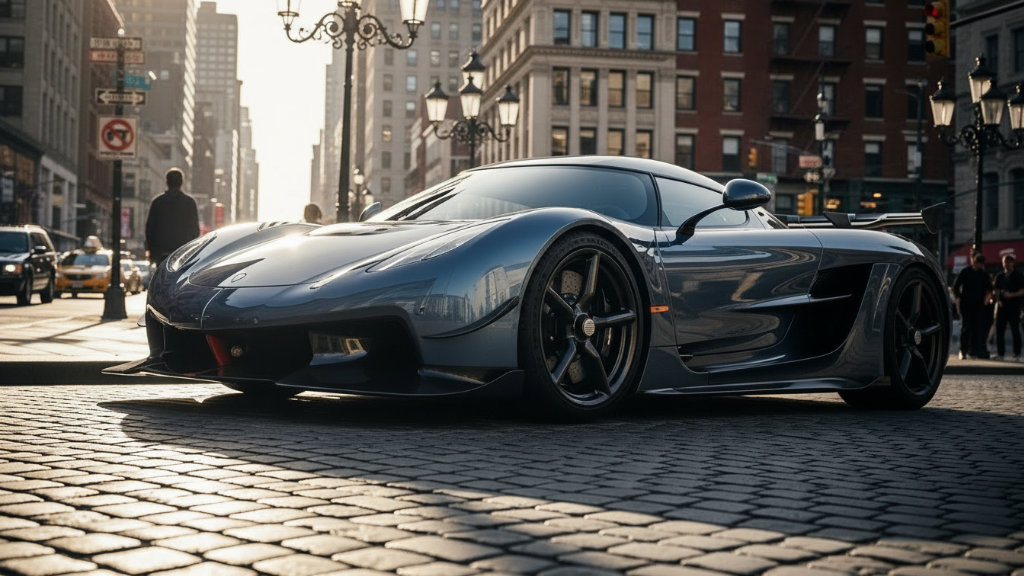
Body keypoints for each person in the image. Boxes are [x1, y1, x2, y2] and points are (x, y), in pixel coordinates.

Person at [145, 168, 199, 266]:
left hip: (161, 253)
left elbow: (150, 229)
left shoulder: (157, 202)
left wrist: (151, 253)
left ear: (166, 182)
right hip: (183, 253)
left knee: (162, 279)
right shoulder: (189, 203)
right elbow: (195, 230)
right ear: (182, 182)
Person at [952, 252, 993, 359]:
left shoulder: (983, 274)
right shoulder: (965, 272)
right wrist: (958, 298)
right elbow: (956, 286)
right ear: (974, 262)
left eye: (981, 263)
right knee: (965, 328)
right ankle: (963, 350)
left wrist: (987, 299)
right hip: (966, 304)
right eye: (978, 263)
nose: (979, 265)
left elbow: (990, 288)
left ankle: (974, 350)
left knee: (977, 328)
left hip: (978, 305)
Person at [992, 254, 1024, 360]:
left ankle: (1017, 353)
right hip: (1002, 306)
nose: (1006, 264)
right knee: (999, 331)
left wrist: (1011, 295)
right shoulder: (1000, 276)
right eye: (1004, 261)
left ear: (1012, 263)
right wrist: (998, 300)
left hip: (1014, 307)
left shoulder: (1018, 275)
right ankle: (1001, 354)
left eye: (1008, 261)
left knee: (1015, 330)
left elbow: (1022, 291)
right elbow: (995, 291)